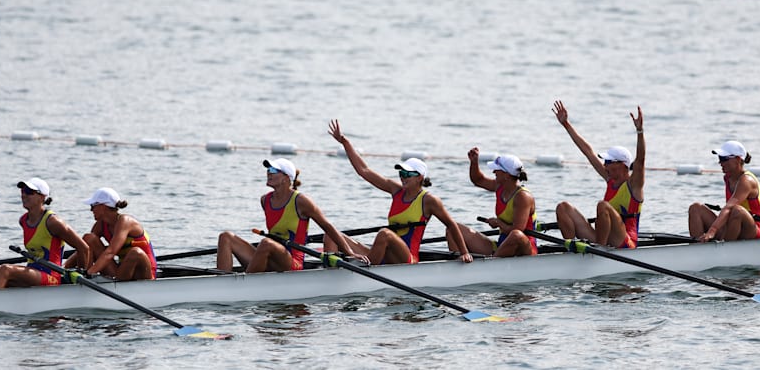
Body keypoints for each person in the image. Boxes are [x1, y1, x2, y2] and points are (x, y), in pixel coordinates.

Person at [326, 119, 473, 264]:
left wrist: (464, 252)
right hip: (386, 254)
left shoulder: (428, 200)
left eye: (408, 174)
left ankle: (366, 269)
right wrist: (345, 142)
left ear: (420, 177)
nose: (403, 177)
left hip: (408, 258)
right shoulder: (395, 190)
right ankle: (330, 273)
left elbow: (451, 225)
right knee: (331, 234)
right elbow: (364, 171)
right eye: (401, 173)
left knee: (384, 234)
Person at [216, 158, 366, 273]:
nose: (268, 173)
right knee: (226, 237)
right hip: (269, 255)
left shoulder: (301, 201)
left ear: (286, 178)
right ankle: (222, 281)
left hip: (292, 261)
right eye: (268, 170)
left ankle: (245, 286)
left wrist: (350, 253)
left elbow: (327, 226)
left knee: (266, 243)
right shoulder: (265, 200)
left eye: (273, 170)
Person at [552, 100, 645, 248]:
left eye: (608, 162)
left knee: (603, 206)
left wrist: (640, 132)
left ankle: (599, 250)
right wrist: (566, 124)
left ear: (622, 165)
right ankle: (571, 249)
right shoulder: (609, 179)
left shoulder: (634, 185)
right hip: (604, 237)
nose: (605, 165)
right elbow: (587, 151)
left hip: (626, 241)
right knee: (563, 208)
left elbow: (640, 161)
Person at [0, 177, 90, 289]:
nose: (24, 195)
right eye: (22, 191)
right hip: (33, 271)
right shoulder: (23, 220)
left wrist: (80, 274)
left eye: (29, 192)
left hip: (51, 275)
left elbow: (83, 248)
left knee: (6, 269)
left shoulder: (53, 222)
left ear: (42, 197)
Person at [448, 150, 538, 257]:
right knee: (453, 229)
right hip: (502, 244)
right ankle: (460, 262)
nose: (494, 172)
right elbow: (478, 180)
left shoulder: (523, 197)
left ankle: (492, 264)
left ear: (506, 175)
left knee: (516, 235)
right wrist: (474, 162)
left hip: (525, 249)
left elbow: (517, 230)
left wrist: (498, 223)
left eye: (497, 170)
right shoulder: (499, 187)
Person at [65, 187, 157, 281]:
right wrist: (64, 268)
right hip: (122, 273)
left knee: (135, 252)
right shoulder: (100, 225)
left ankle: (87, 277)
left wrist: (89, 273)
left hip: (144, 272)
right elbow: (85, 249)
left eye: (92, 206)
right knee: (89, 238)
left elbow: (111, 252)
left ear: (103, 206)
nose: (91, 210)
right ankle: (84, 281)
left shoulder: (125, 221)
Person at [688, 140, 760, 242]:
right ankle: (698, 245)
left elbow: (729, 207)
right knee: (695, 208)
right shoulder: (728, 177)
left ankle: (725, 247)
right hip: (733, 225)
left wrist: (712, 231)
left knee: (737, 211)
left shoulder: (747, 181)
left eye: (724, 159)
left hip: (754, 230)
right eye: (719, 158)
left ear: (738, 159)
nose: (720, 163)